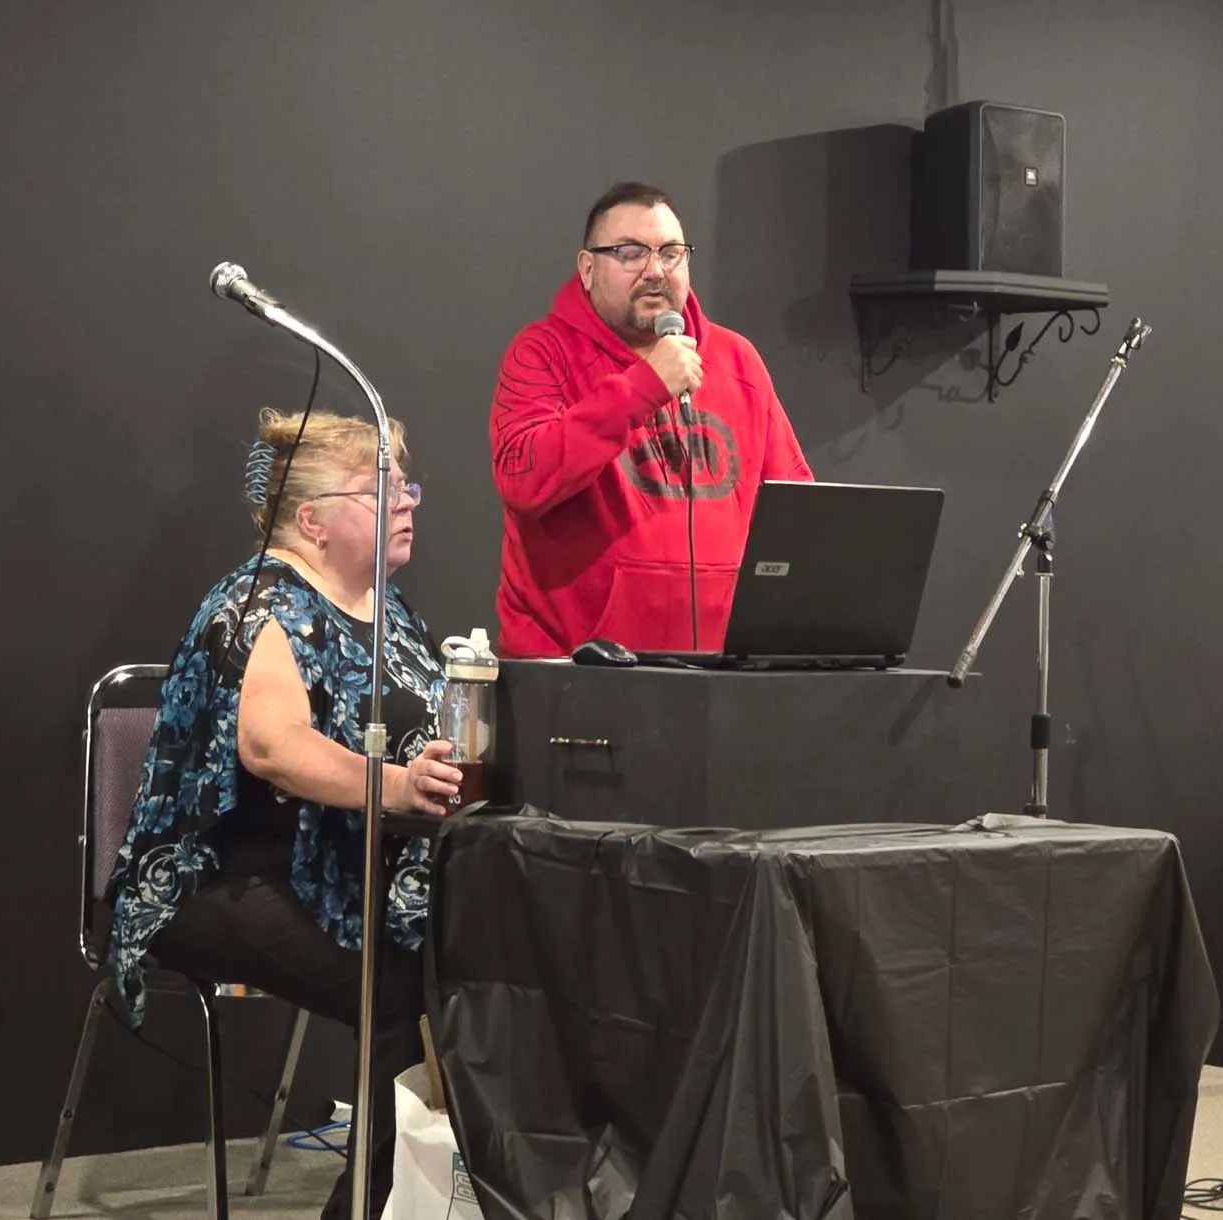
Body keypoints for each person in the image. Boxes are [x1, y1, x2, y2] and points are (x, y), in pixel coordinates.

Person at [105, 409, 463, 1220]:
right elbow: (272, 747)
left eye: (407, 485)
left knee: (466, 966)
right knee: (405, 992)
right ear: (312, 521)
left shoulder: (391, 612)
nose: (407, 502)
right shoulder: (259, 602)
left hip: (334, 881)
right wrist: (398, 786)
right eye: (381, 488)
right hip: (218, 881)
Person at [489, 181, 814, 658]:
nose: (655, 270)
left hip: (721, 671)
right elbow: (524, 479)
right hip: (581, 670)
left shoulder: (737, 359)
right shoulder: (541, 352)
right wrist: (644, 387)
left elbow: (794, 506)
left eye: (671, 253)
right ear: (587, 268)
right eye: (631, 253)